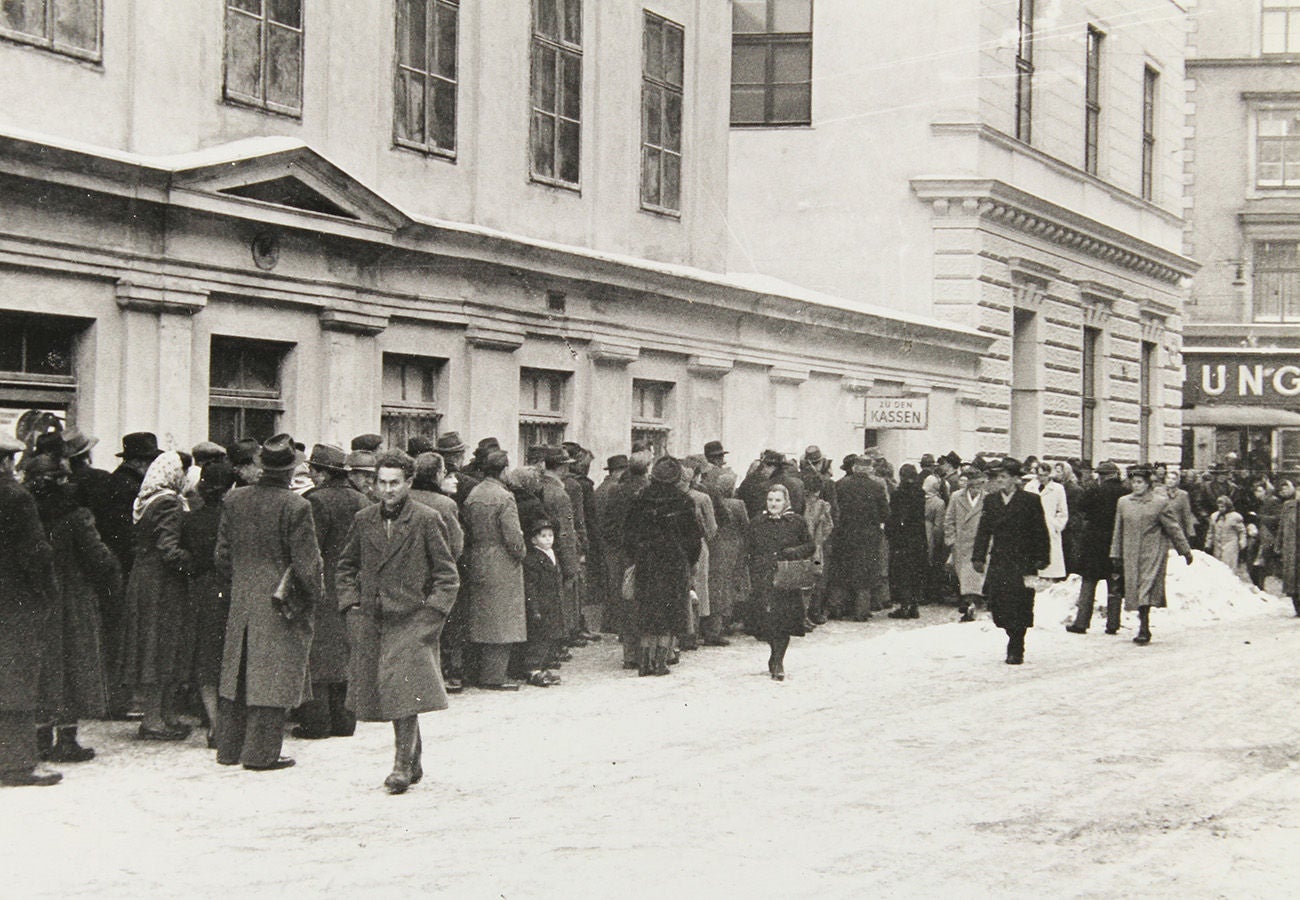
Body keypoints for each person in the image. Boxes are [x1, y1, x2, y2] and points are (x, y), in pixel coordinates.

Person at [336, 450, 460, 794]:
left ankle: (400, 766)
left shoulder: (427, 519)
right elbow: (345, 566)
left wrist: (431, 617)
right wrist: (350, 606)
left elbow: (447, 576)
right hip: (374, 619)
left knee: (402, 689)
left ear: (408, 483)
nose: (387, 490)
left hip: (412, 619)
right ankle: (414, 759)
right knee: (393, 691)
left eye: (395, 483)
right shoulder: (364, 519)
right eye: (381, 482)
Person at [214, 434, 324, 771]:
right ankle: (262, 753)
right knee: (273, 676)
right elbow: (307, 563)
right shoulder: (297, 506)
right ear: (291, 472)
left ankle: (228, 748)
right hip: (279, 600)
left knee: (238, 673)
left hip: (242, 597)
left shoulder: (234, 500)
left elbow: (221, 555)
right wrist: (314, 595)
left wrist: (242, 581)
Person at [25, 456, 118, 764]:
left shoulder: (25, 512)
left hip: (34, 601)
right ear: (61, 481)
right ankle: (66, 739)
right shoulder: (75, 515)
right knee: (72, 666)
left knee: (40, 668)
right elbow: (99, 559)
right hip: (72, 600)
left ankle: (38, 737)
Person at [292, 444, 368, 739]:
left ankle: (317, 722)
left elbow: (311, 549)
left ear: (323, 474)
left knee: (317, 654)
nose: (310, 473)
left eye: (313, 469)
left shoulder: (315, 502)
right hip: (354, 586)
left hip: (324, 586)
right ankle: (345, 722)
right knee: (346, 654)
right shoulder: (362, 500)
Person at [118, 451, 194, 739]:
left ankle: (162, 715)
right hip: (163, 584)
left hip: (144, 577)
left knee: (153, 645)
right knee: (162, 646)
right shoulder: (169, 502)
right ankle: (154, 719)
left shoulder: (145, 499)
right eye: (184, 471)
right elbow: (169, 547)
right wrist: (192, 561)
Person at [0, 436, 62, 786]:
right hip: (15, 600)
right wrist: (47, 591)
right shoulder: (16, 497)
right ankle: (18, 763)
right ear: (7, 461)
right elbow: (35, 553)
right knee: (17, 679)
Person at [623, 457, 701, 676]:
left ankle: (645, 662)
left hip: (647, 562)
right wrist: (689, 561)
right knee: (670, 614)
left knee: (647, 611)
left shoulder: (640, 499)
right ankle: (660, 662)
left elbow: (628, 534)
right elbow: (694, 539)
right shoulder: (683, 501)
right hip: (674, 563)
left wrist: (636, 555)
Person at [971, 457, 1050, 665]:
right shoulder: (991, 501)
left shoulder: (1030, 501)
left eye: (1004, 477)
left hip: (1023, 561)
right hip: (999, 559)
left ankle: (1016, 645)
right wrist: (978, 556)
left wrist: (1042, 558)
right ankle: (1011, 633)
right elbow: (983, 531)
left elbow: (1040, 532)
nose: (999, 481)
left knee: (1019, 604)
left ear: (1016, 479)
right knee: (998, 605)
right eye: (998, 477)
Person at [180, 461, 236, 748]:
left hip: (202, 593)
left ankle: (215, 725)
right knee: (231, 658)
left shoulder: (190, 520)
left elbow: (187, 560)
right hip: (232, 591)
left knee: (207, 660)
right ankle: (231, 723)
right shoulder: (238, 520)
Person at [462, 450, 528, 691]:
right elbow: (513, 537)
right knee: (503, 620)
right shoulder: (505, 497)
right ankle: (495, 675)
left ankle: (478, 673)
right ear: (503, 470)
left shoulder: (474, 494)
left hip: (478, 556)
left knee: (481, 617)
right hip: (501, 560)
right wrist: (521, 553)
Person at [1110, 465, 1193, 645]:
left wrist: (1185, 550)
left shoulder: (1159, 503)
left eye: (1139, 482)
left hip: (1152, 552)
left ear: (1148, 484)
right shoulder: (1123, 502)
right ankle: (1142, 623)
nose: (1135, 486)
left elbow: (1173, 527)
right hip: (1130, 553)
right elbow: (1118, 529)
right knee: (1134, 589)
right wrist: (1115, 553)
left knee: (1145, 587)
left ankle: (1144, 627)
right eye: (1133, 482)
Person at [746, 484, 816, 681]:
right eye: (770, 500)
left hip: (786, 579)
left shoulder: (796, 522)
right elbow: (748, 547)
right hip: (764, 577)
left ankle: (778, 661)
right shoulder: (758, 522)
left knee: (783, 621)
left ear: (786, 501)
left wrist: (795, 552)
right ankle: (773, 652)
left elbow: (810, 545)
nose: (773, 504)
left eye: (777, 500)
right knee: (766, 622)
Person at [1066, 460, 1127, 636]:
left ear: (1101, 476)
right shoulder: (1124, 493)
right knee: (1114, 582)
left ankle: (1081, 622)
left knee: (1089, 582)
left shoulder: (1094, 491)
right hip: (1116, 541)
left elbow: (1081, 506)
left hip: (1094, 542)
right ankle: (1113, 623)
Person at [828, 455, 890, 620]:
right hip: (868, 537)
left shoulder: (840, 485)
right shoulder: (876, 487)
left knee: (841, 570)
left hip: (844, 534)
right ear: (869, 469)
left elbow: (835, 510)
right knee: (865, 573)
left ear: (854, 468)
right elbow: (885, 513)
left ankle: (837, 607)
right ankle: (861, 611)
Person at [704, 469, 748, 644]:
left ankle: (712, 625)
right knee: (727, 583)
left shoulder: (713, 501)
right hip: (732, 546)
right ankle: (722, 624)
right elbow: (745, 526)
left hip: (714, 544)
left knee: (715, 583)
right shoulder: (737, 504)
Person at [521, 518, 564, 687]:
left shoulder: (552, 554)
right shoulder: (533, 560)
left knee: (549, 637)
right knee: (538, 639)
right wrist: (534, 608)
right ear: (533, 540)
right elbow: (530, 587)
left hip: (551, 604)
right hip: (541, 605)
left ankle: (543, 667)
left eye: (551, 535)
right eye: (543, 536)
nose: (548, 539)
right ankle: (533, 670)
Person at [944, 465, 986, 622]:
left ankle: (970, 604)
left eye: (979, 485)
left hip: (979, 545)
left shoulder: (987, 499)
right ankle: (970, 603)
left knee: (974, 577)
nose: (976, 489)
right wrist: (951, 541)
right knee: (965, 577)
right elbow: (949, 520)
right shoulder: (957, 497)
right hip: (961, 544)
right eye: (973, 486)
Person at [886, 464, 928, 620]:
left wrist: (891, 534)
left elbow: (895, 518)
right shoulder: (920, 493)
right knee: (916, 572)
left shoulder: (899, 494)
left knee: (902, 573)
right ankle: (914, 606)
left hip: (902, 539)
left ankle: (904, 607)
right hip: (919, 538)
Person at [1024, 461, 1068, 580]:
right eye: (1039, 475)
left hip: (1050, 526)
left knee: (1051, 561)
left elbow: (1062, 511)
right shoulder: (1030, 487)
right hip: (1032, 525)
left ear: (1049, 474)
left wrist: (1057, 525)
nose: (1041, 478)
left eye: (1044, 475)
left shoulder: (1058, 489)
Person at [802, 471, 834, 627]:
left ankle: (803, 615)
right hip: (816, 549)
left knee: (802, 580)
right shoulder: (822, 506)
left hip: (802, 548)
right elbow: (829, 527)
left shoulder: (798, 503)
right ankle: (813, 613)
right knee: (815, 580)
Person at [1206, 495, 1247, 578]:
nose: (1220, 509)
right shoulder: (1214, 516)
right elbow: (1210, 531)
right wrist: (1208, 544)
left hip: (1230, 544)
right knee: (1218, 565)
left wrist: (1242, 542)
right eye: (1219, 506)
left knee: (1229, 566)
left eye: (1223, 507)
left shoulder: (1235, 517)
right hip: (1218, 544)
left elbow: (1242, 531)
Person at [1275, 479, 1300, 616]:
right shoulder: (1288, 506)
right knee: (1292, 579)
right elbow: (1281, 527)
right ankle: (1297, 607)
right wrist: (1278, 545)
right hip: (1292, 548)